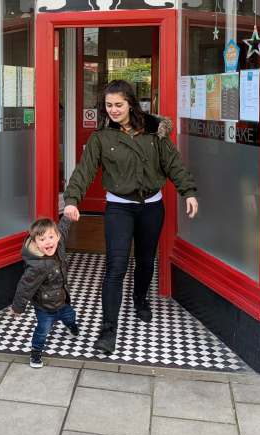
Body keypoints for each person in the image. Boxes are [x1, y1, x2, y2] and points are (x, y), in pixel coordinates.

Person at [63, 80, 198, 355]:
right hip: (119, 208)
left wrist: (188, 191)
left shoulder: (154, 131)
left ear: (131, 104)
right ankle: (108, 329)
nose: (113, 110)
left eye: (118, 105)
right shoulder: (101, 138)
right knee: (116, 266)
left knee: (146, 260)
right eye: (109, 105)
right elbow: (84, 171)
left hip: (151, 207)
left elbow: (172, 163)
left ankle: (140, 299)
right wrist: (72, 199)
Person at [11, 216, 78, 369]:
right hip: (44, 307)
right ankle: (35, 352)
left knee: (70, 315)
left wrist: (68, 216)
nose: (48, 242)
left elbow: (63, 228)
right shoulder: (36, 266)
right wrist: (18, 308)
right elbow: (25, 288)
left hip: (62, 300)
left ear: (57, 237)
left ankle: (71, 325)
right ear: (35, 243)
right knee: (42, 330)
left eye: (51, 237)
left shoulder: (59, 244)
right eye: (42, 240)